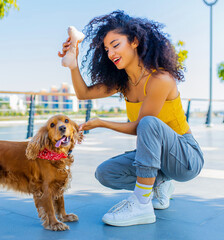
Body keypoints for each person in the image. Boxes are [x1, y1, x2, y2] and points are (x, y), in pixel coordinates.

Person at [58, 10, 204, 227]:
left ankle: (141, 203)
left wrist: (102, 122)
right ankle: (160, 182)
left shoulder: (160, 79)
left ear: (134, 41)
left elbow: (141, 126)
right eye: (107, 49)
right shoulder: (123, 83)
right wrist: (73, 63)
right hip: (156, 156)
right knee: (105, 173)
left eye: (116, 45)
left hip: (186, 157)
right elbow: (83, 94)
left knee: (149, 123)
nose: (110, 53)